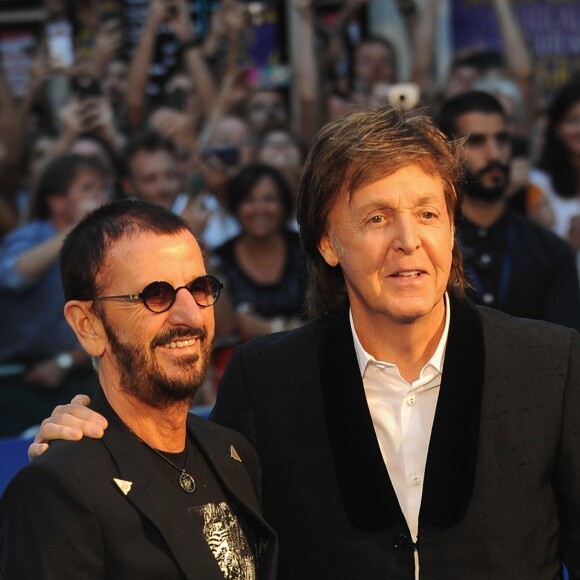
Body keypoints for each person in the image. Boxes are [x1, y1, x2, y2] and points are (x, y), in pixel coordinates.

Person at [29, 108, 580, 579]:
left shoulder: (550, 366)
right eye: (377, 217)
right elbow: (190, 499)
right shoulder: (265, 381)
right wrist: (89, 432)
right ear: (327, 242)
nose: (408, 242)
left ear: (451, 229)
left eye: (429, 214)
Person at [0, 200, 277, 579]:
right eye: (156, 295)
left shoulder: (235, 454)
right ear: (88, 326)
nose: (190, 315)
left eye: (199, 288)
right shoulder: (58, 488)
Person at [438, 90, 580, 330]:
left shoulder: (550, 251)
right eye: (476, 141)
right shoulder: (428, 247)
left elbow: (566, 352)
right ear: (446, 150)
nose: (494, 154)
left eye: (502, 140)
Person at [0, 153, 110, 436]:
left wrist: (64, 362)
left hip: (81, 374)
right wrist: (77, 228)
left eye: (102, 189)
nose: (100, 196)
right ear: (58, 201)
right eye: (88, 189)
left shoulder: (105, 244)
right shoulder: (32, 235)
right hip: (19, 382)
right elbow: (14, 275)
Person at [213, 163, 308, 341]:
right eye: (249, 200)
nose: (260, 209)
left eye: (269, 199)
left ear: (283, 205)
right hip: (244, 362)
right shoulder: (220, 259)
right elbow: (225, 327)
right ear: (236, 206)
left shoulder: (307, 250)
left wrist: (269, 328)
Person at [528, 78, 580, 279]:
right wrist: (568, 248)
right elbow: (537, 249)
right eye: (572, 121)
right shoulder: (538, 182)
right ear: (556, 127)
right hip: (562, 292)